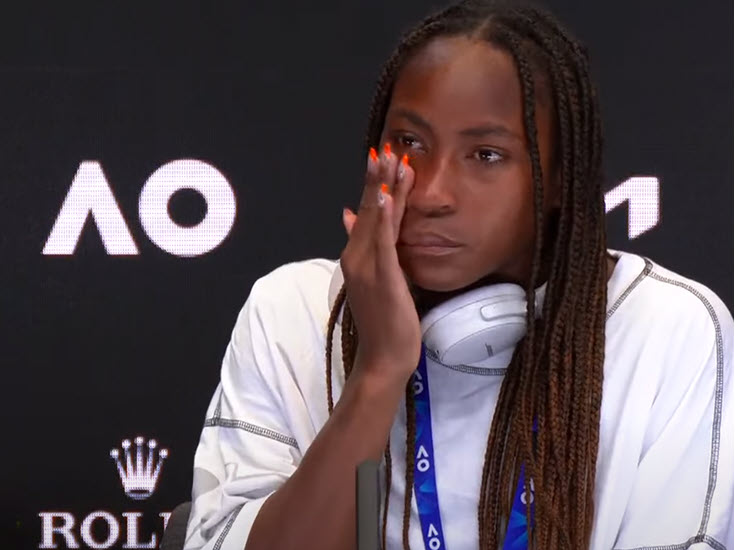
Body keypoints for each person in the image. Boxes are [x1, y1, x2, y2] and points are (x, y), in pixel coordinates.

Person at [183, 1, 733, 549]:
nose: (431, 192)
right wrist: (377, 373)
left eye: (486, 155)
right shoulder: (292, 311)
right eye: (411, 144)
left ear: (561, 180)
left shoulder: (669, 328)